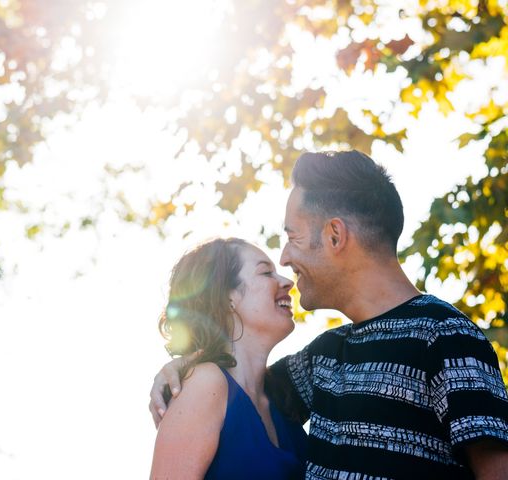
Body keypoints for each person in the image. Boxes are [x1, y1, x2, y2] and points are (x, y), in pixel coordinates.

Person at [150, 150, 508, 479]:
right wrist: (184, 367)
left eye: (293, 236)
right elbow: (239, 387)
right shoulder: (321, 358)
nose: (286, 260)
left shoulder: (447, 337)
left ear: (335, 235)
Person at [150, 238, 307, 479]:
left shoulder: (282, 395)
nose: (287, 282)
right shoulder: (205, 384)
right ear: (227, 298)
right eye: (266, 272)